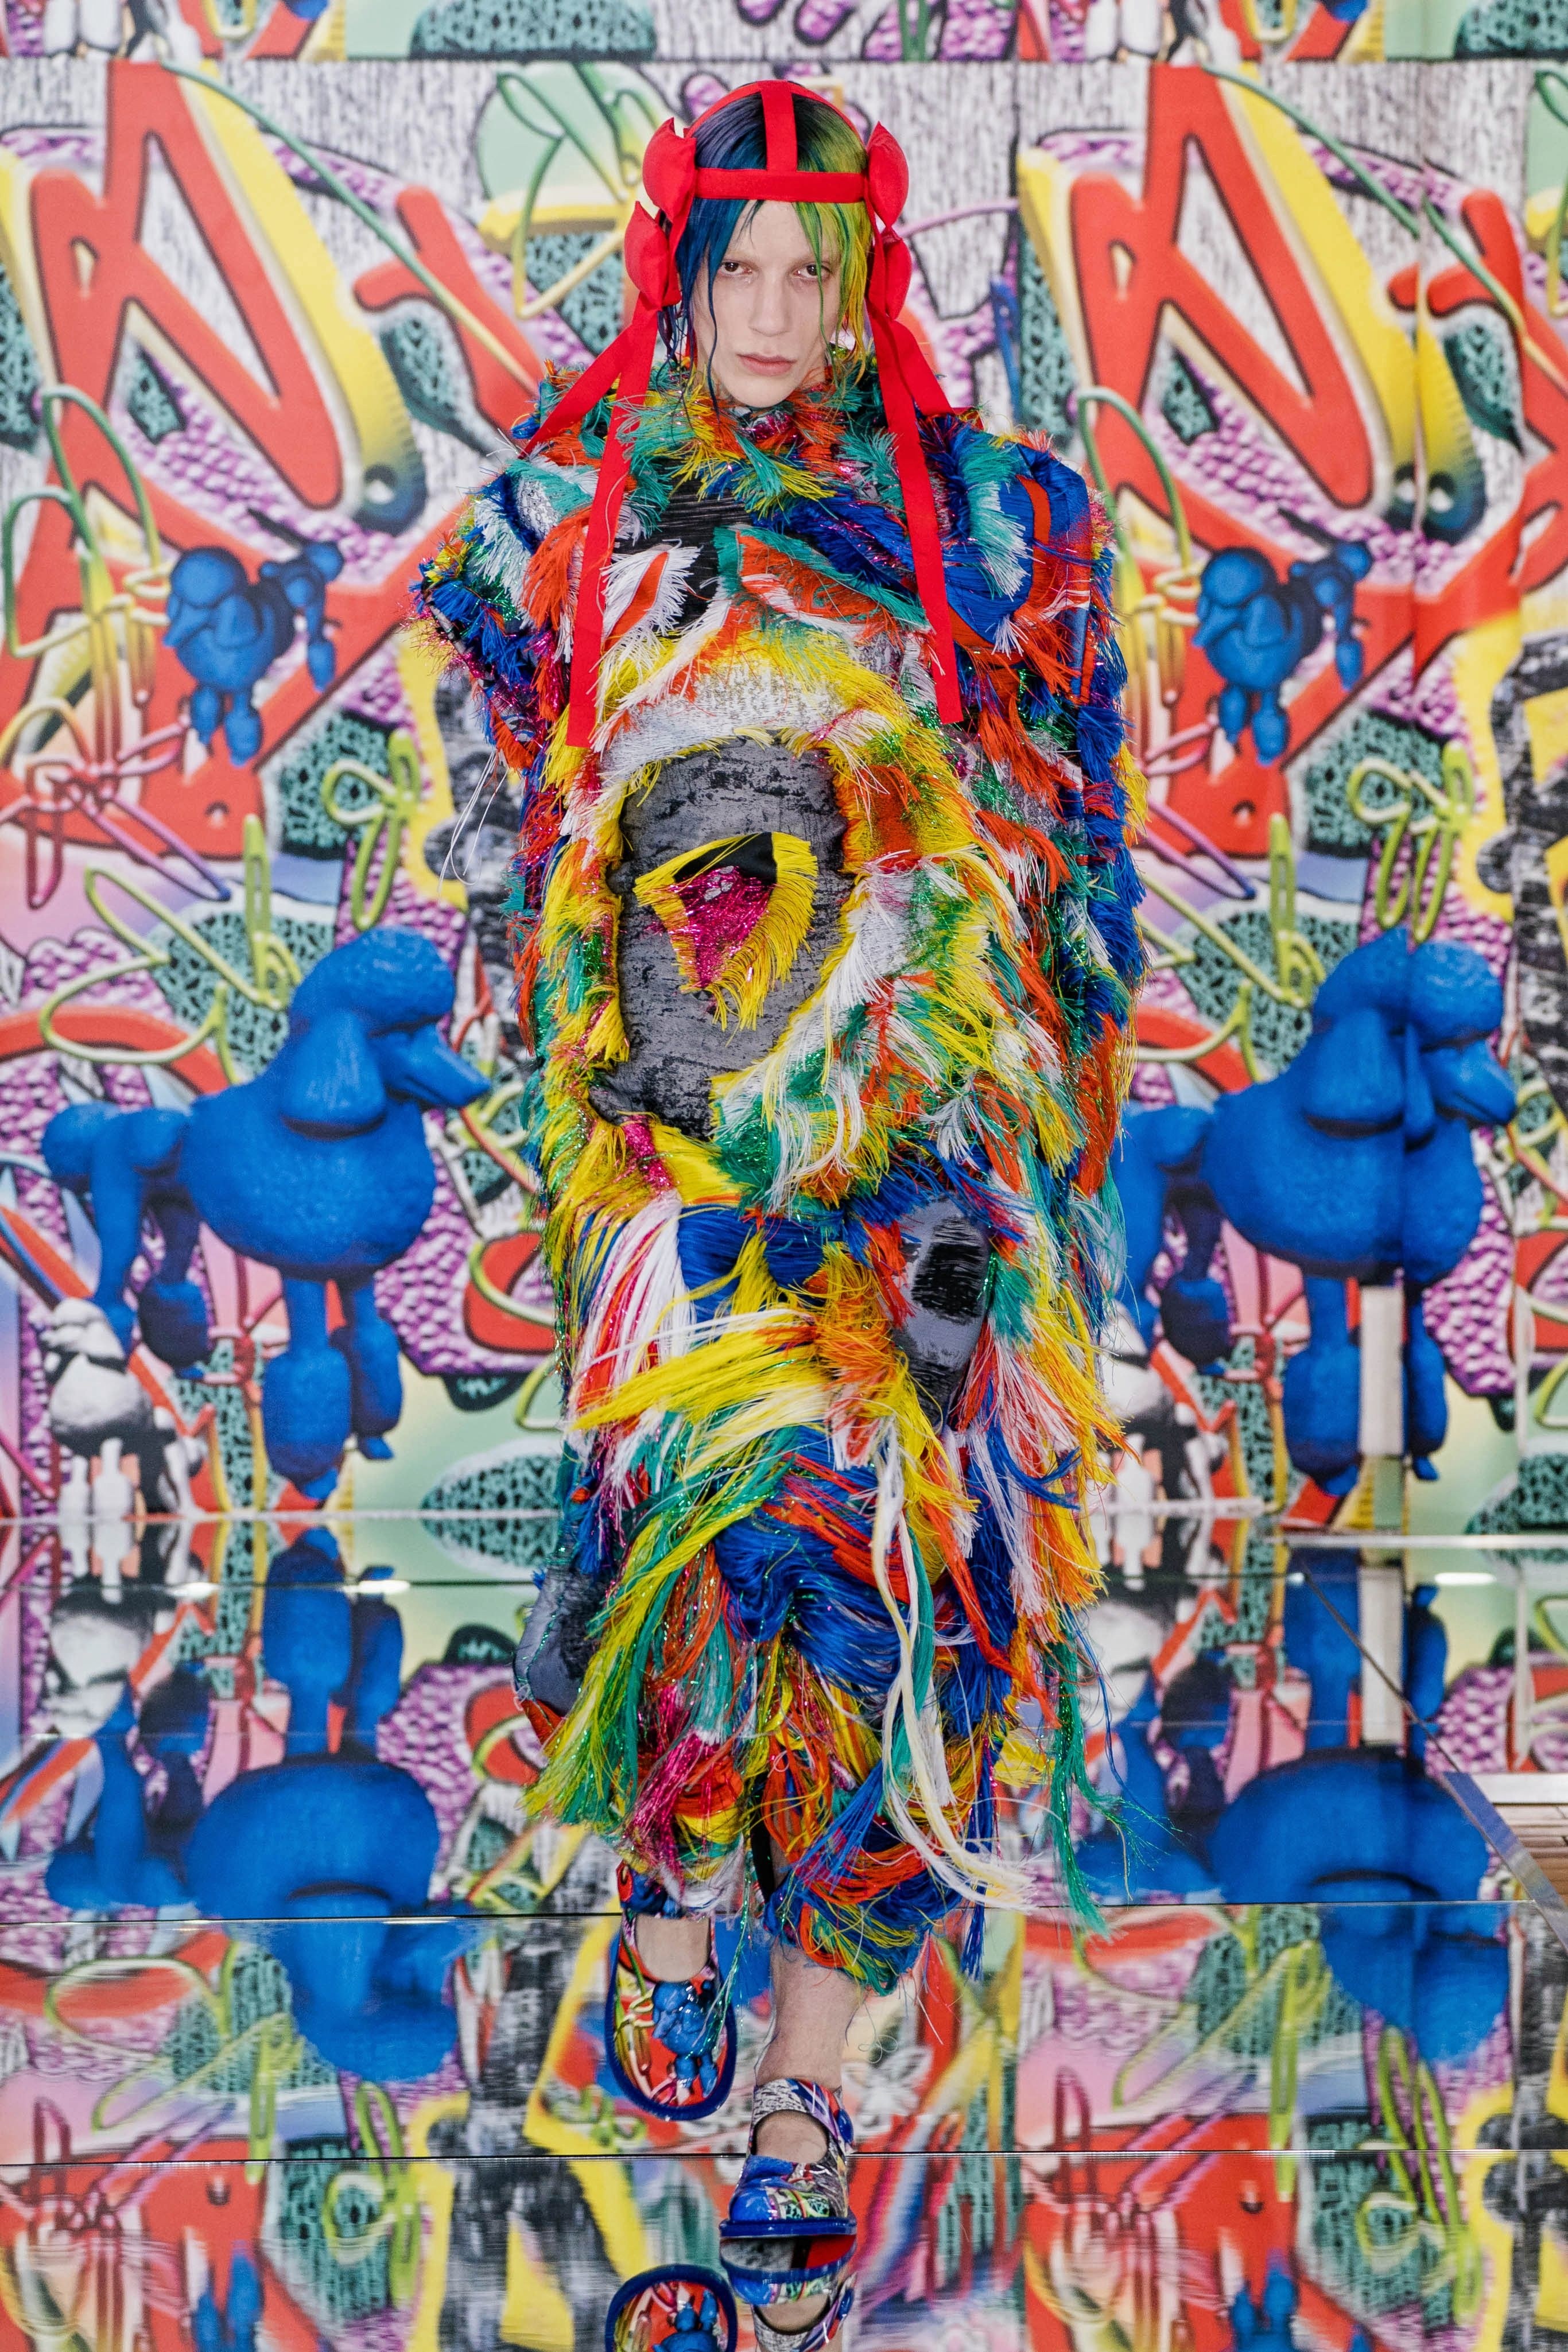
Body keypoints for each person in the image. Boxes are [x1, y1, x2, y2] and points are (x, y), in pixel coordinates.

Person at [417, 77, 1142, 2350]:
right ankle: (663, 1902)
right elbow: (506, 764)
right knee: (696, 1535)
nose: (766, 309)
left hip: (917, 1136)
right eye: (732, 266)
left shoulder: (987, 519)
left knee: (899, 1571)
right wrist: (552, 944)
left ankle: (807, 2093)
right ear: (678, 270)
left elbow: (1076, 796)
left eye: (805, 268)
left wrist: (1048, 1021)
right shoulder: (568, 513)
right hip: (672, 1129)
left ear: (860, 277)